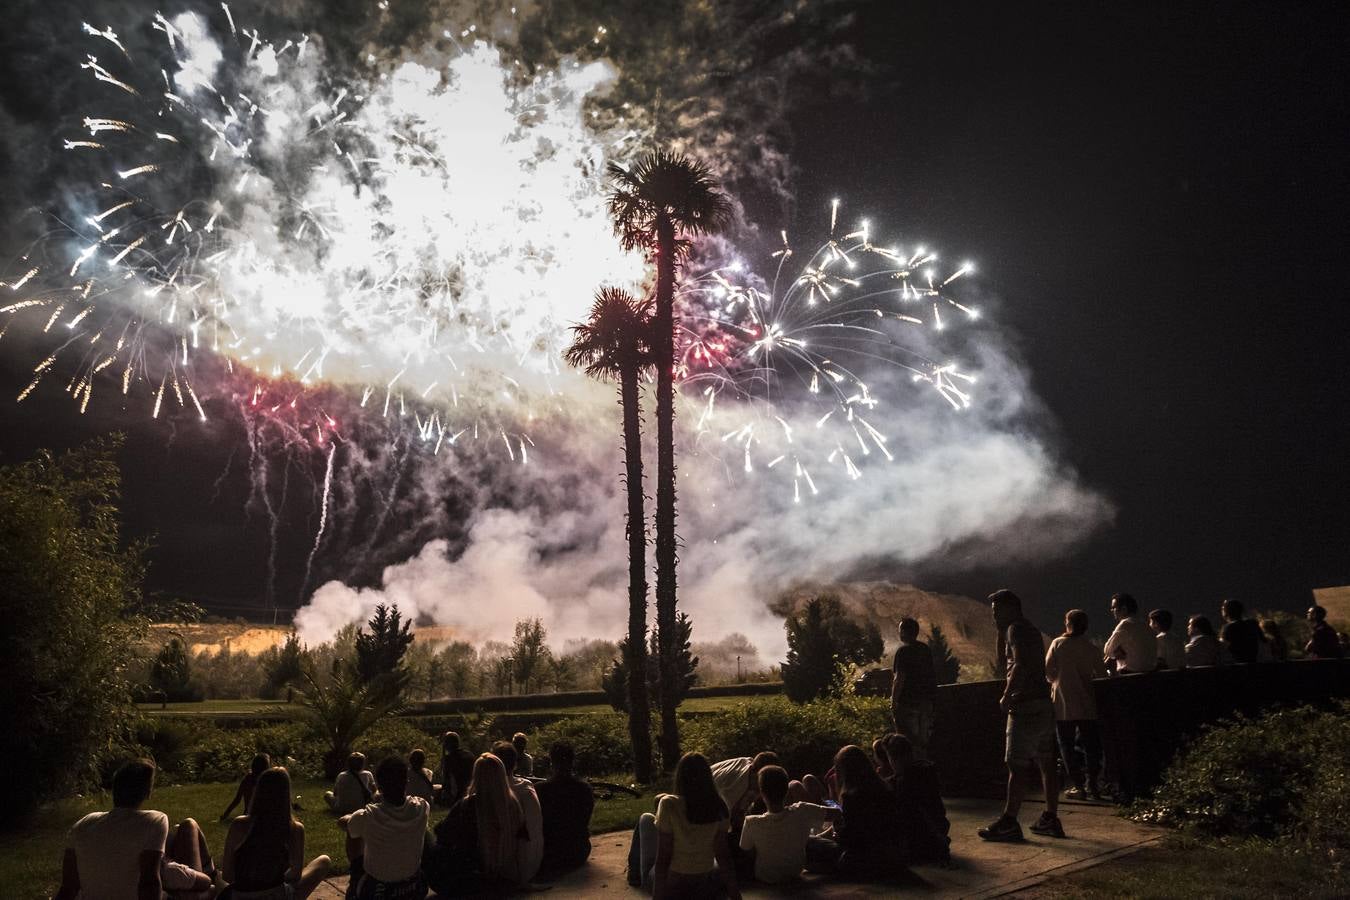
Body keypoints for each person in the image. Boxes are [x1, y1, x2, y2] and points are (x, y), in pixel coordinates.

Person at [55, 758, 216, 900]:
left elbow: (68, 888)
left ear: (115, 790)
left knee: (177, 832)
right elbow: (149, 882)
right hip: (169, 882)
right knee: (209, 887)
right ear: (147, 793)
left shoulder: (84, 823)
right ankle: (214, 875)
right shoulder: (154, 820)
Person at [979, 589, 1064, 842]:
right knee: (1046, 763)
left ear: (1010, 609)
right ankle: (1050, 818)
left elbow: (1019, 664)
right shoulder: (1029, 629)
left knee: (1016, 765)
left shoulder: (1015, 629)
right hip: (1042, 703)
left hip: (1024, 705)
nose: (994, 617)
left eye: (996, 611)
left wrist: (1007, 695)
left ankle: (1009, 821)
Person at [634, 752, 741, 899]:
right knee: (714, 863)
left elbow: (664, 857)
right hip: (703, 881)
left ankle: (633, 875)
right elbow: (723, 855)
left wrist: (657, 895)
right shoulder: (720, 806)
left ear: (680, 777)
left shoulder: (668, 804)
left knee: (646, 820)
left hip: (674, 882)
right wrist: (735, 894)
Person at [220, 766, 333, 899]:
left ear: (258, 791)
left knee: (216, 878)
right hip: (276, 895)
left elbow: (227, 875)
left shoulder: (240, 825)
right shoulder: (295, 829)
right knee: (323, 862)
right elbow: (296, 875)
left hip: (241, 895)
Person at [426, 753, 527, 895]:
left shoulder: (469, 805)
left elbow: (442, 832)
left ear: (476, 776)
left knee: (429, 842)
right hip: (501, 876)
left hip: (470, 879)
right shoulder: (513, 805)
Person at [339, 756, 430, 900]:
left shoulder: (367, 816)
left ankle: (356, 873)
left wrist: (352, 816)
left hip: (377, 889)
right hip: (413, 886)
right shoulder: (422, 807)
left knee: (352, 832)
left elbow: (343, 823)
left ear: (379, 787)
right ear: (406, 782)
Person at [1045, 609, 1108, 801]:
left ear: (1067, 623)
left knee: (1066, 746)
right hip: (1087, 703)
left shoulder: (1058, 644)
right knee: (1091, 746)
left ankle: (1078, 786)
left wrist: (1057, 681)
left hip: (1063, 703)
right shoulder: (1091, 648)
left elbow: (1048, 670)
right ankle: (1094, 786)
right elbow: (1102, 675)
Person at [737, 765, 838, 884]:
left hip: (766, 877)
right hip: (795, 871)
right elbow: (836, 813)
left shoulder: (751, 822)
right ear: (786, 791)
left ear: (762, 794)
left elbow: (747, 851)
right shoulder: (802, 810)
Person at [830, 744, 907, 877]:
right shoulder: (885, 788)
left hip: (869, 859)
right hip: (895, 856)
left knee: (813, 848)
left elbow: (852, 838)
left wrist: (837, 832)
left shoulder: (850, 796)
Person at [882, 734, 951, 863]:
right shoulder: (927, 771)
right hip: (938, 831)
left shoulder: (904, 782)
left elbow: (903, 817)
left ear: (893, 758)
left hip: (918, 840)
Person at [536, 741, 595, 875]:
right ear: (572, 762)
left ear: (551, 762)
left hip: (550, 854)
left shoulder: (539, 790)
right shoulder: (584, 789)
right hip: (578, 852)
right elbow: (585, 820)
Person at [490, 741, 543, 883]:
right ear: (515, 764)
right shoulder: (526, 786)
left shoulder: (490, 792)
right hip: (533, 862)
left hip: (505, 869)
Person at [891, 617, 938, 760]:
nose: (899, 634)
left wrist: (893, 701)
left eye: (900, 630)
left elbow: (899, 678)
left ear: (904, 632)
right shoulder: (925, 649)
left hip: (908, 704)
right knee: (923, 742)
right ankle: (924, 771)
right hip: (925, 703)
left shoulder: (903, 652)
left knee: (907, 743)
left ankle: (911, 775)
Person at [1103, 593, 1159, 674]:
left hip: (1130, 677)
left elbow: (1107, 650)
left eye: (1114, 607)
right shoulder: (1146, 626)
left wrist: (1118, 651)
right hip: (1151, 675)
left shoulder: (1125, 624)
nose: (1111, 610)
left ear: (1124, 609)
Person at [221, 754, 271, 822]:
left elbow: (237, 799)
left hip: (249, 815)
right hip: (260, 816)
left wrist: (225, 815)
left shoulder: (248, 779)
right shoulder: (266, 781)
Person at [1220, 599, 1263, 664]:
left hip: (1238, 665)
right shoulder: (1253, 624)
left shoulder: (1229, 628)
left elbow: (1222, 648)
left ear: (1226, 612)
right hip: (1255, 663)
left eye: (1223, 608)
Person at [438, 732, 475, 805]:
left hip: (457, 794)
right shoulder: (469, 755)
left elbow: (446, 780)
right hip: (471, 789)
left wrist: (443, 754)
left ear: (446, 745)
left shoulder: (449, 759)